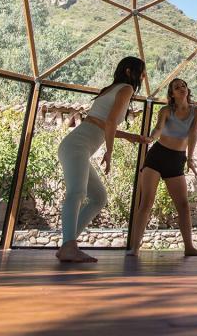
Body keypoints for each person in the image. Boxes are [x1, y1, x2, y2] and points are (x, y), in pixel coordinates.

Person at [56, 57, 149, 263]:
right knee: (76, 193)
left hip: (76, 146)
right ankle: (70, 246)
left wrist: (130, 136)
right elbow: (108, 123)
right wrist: (109, 151)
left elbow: (102, 124)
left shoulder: (112, 88)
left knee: (98, 197)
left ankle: (66, 245)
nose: (144, 76)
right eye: (142, 71)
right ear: (129, 71)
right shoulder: (126, 89)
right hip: (77, 146)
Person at [127, 78, 197, 257]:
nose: (181, 89)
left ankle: (189, 247)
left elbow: (193, 135)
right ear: (172, 93)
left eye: (183, 86)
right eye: (177, 88)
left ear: (187, 89)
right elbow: (158, 128)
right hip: (157, 156)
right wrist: (151, 138)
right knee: (146, 202)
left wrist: (190, 158)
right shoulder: (166, 110)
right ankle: (134, 248)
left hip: (176, 159)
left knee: (183, 205)